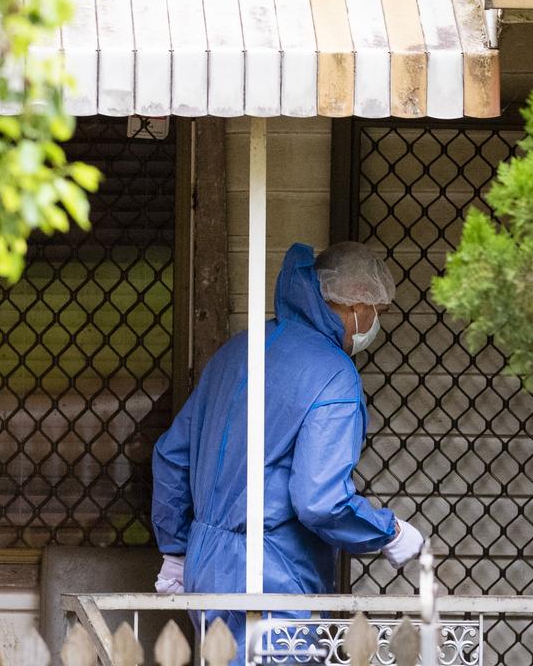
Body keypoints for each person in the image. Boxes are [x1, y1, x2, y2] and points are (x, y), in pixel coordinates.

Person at [150, 241, 425, 657]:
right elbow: (320, 501)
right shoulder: (334, 375)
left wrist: (174, 550)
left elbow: (172, 455)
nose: (375, 324)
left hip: (204, 565)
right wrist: (388, 532)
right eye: (379, 312)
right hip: (272, 573)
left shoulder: (238, 351)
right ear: (357, 305)